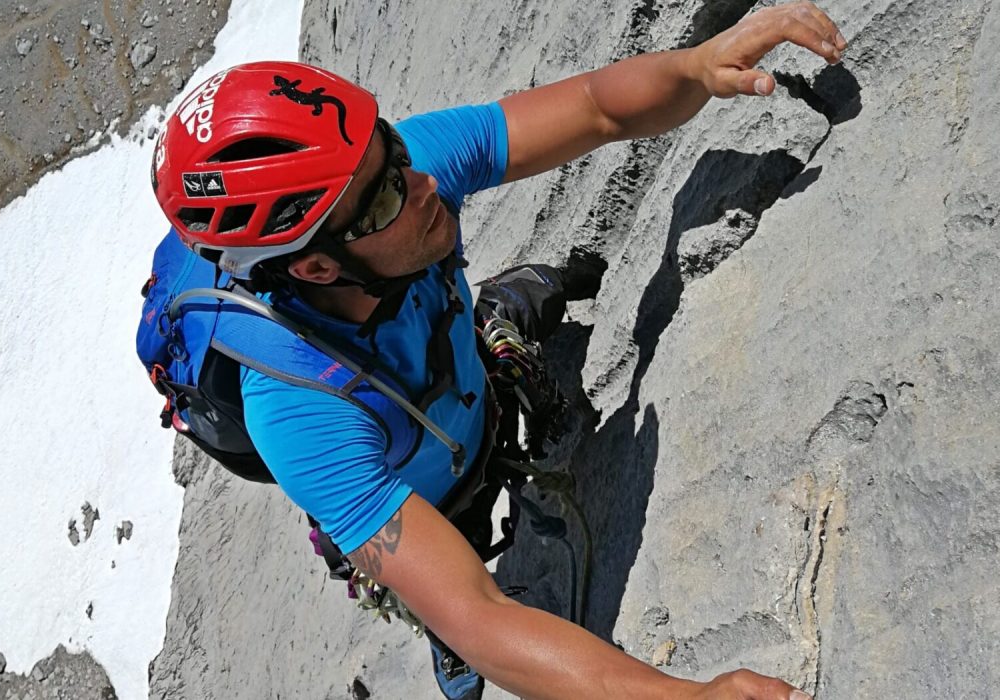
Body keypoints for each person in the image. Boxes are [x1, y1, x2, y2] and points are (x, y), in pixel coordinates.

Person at [146, 3, 846, 698]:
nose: (423, 185)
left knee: (479, 363)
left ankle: (503, 320)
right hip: (430, 492)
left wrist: (695, 68)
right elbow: (480, 614)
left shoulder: (385, 185)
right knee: (450, 594)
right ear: (318, 267)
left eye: (392, 150)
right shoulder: (299, 417)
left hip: (460, 395)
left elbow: (598, 108)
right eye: (388, 195)